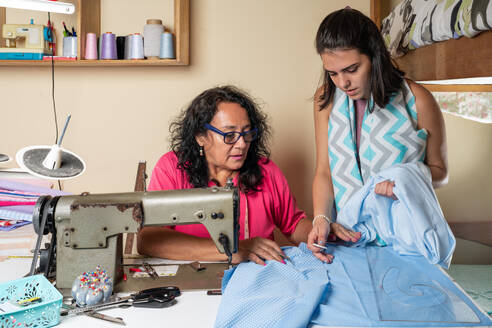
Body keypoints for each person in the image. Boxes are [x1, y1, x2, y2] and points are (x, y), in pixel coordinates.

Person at [307, 8, 448, 263]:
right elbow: (324, 172)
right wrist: (321, 219)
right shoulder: (325, 100)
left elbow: (440, 172)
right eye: (332, 73)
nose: (342, 83)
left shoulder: (419, 100)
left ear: (374, 55)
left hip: (405, 240)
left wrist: (403, 184)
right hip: (348, 239)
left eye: (352, 69)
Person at [137, 86, 312, 265]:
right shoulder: (172, 168)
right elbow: (148, 240)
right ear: (200, 136)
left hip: (257, 276)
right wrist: (234, 250)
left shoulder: (266, 170)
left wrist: (321, 232)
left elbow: (294, 225)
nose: (242, 144)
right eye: (229, 135)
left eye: (246, 133)